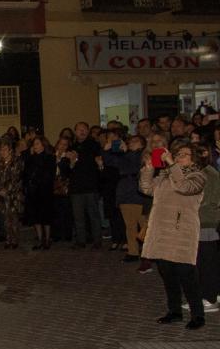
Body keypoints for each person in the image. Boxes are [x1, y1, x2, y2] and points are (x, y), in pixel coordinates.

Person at [140, 142, 207, 329]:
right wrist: (148, 169)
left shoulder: (198, 176)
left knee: (187, 275)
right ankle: (174, 311)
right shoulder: (166, 175)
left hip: (182, 231)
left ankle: (198, 315)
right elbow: (146, 189)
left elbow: (184, 187)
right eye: (177, 154)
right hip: (162, 230)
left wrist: (171, 164)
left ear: (194, 159)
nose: (179, 157)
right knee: (167, 274)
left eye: (184, 154)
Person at [106, 134, 149, 263]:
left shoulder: (143, 155)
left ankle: (149, 252)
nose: (131, 143)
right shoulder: (126, 155)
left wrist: (125, 152)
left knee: (144, 225)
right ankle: (133, 252)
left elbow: (135, 165)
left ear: (142, 144)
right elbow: (111, 162)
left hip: (138, 194)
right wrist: (107, 149)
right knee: (130, 226)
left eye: (135, 141)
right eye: (130, 141)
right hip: (125, 193)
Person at [67, 122, 104, 248]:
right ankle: (81, 240)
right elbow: (67, 169)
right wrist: (71, 162)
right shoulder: (72, 146)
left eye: (84, 129)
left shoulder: (94, 145)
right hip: (76, 187)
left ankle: (97, 240)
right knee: (78, 216)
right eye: (79, 129)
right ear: (75, 132)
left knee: (94, 215)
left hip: (91, 185)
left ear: (88, 131)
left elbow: (98, 163)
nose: (82, 131)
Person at [196, 155, 220, 312]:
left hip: (207, 221)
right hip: (203, 221)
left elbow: (211, 200)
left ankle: (210, 298)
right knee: (204, 261)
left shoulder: (209, 174)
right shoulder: (205, 172)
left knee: (207, 262)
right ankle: (210, 295)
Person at [23, 137, 56, 250]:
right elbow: (25, 174)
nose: (35, 146)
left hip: (44, 191)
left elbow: (50, 175)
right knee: (35, 216)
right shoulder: (30, 159)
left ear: (43, 145)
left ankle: (47, 239)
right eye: (34, 144)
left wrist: (38, 181)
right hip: (33, 192)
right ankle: (40, 239)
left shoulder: (50, 158)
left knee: (46, 216)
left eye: (37, 143)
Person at [0, 140, 24, 249]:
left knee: (13, 218)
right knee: (5, 219)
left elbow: (16, 178)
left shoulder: (16, 162)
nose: (2, 152)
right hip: (1, 196)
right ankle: (8, 238)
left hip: (13, 196)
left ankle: (14, 240)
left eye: (5, 150)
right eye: (1, 150)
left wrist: (6, 190)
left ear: (10, 151)